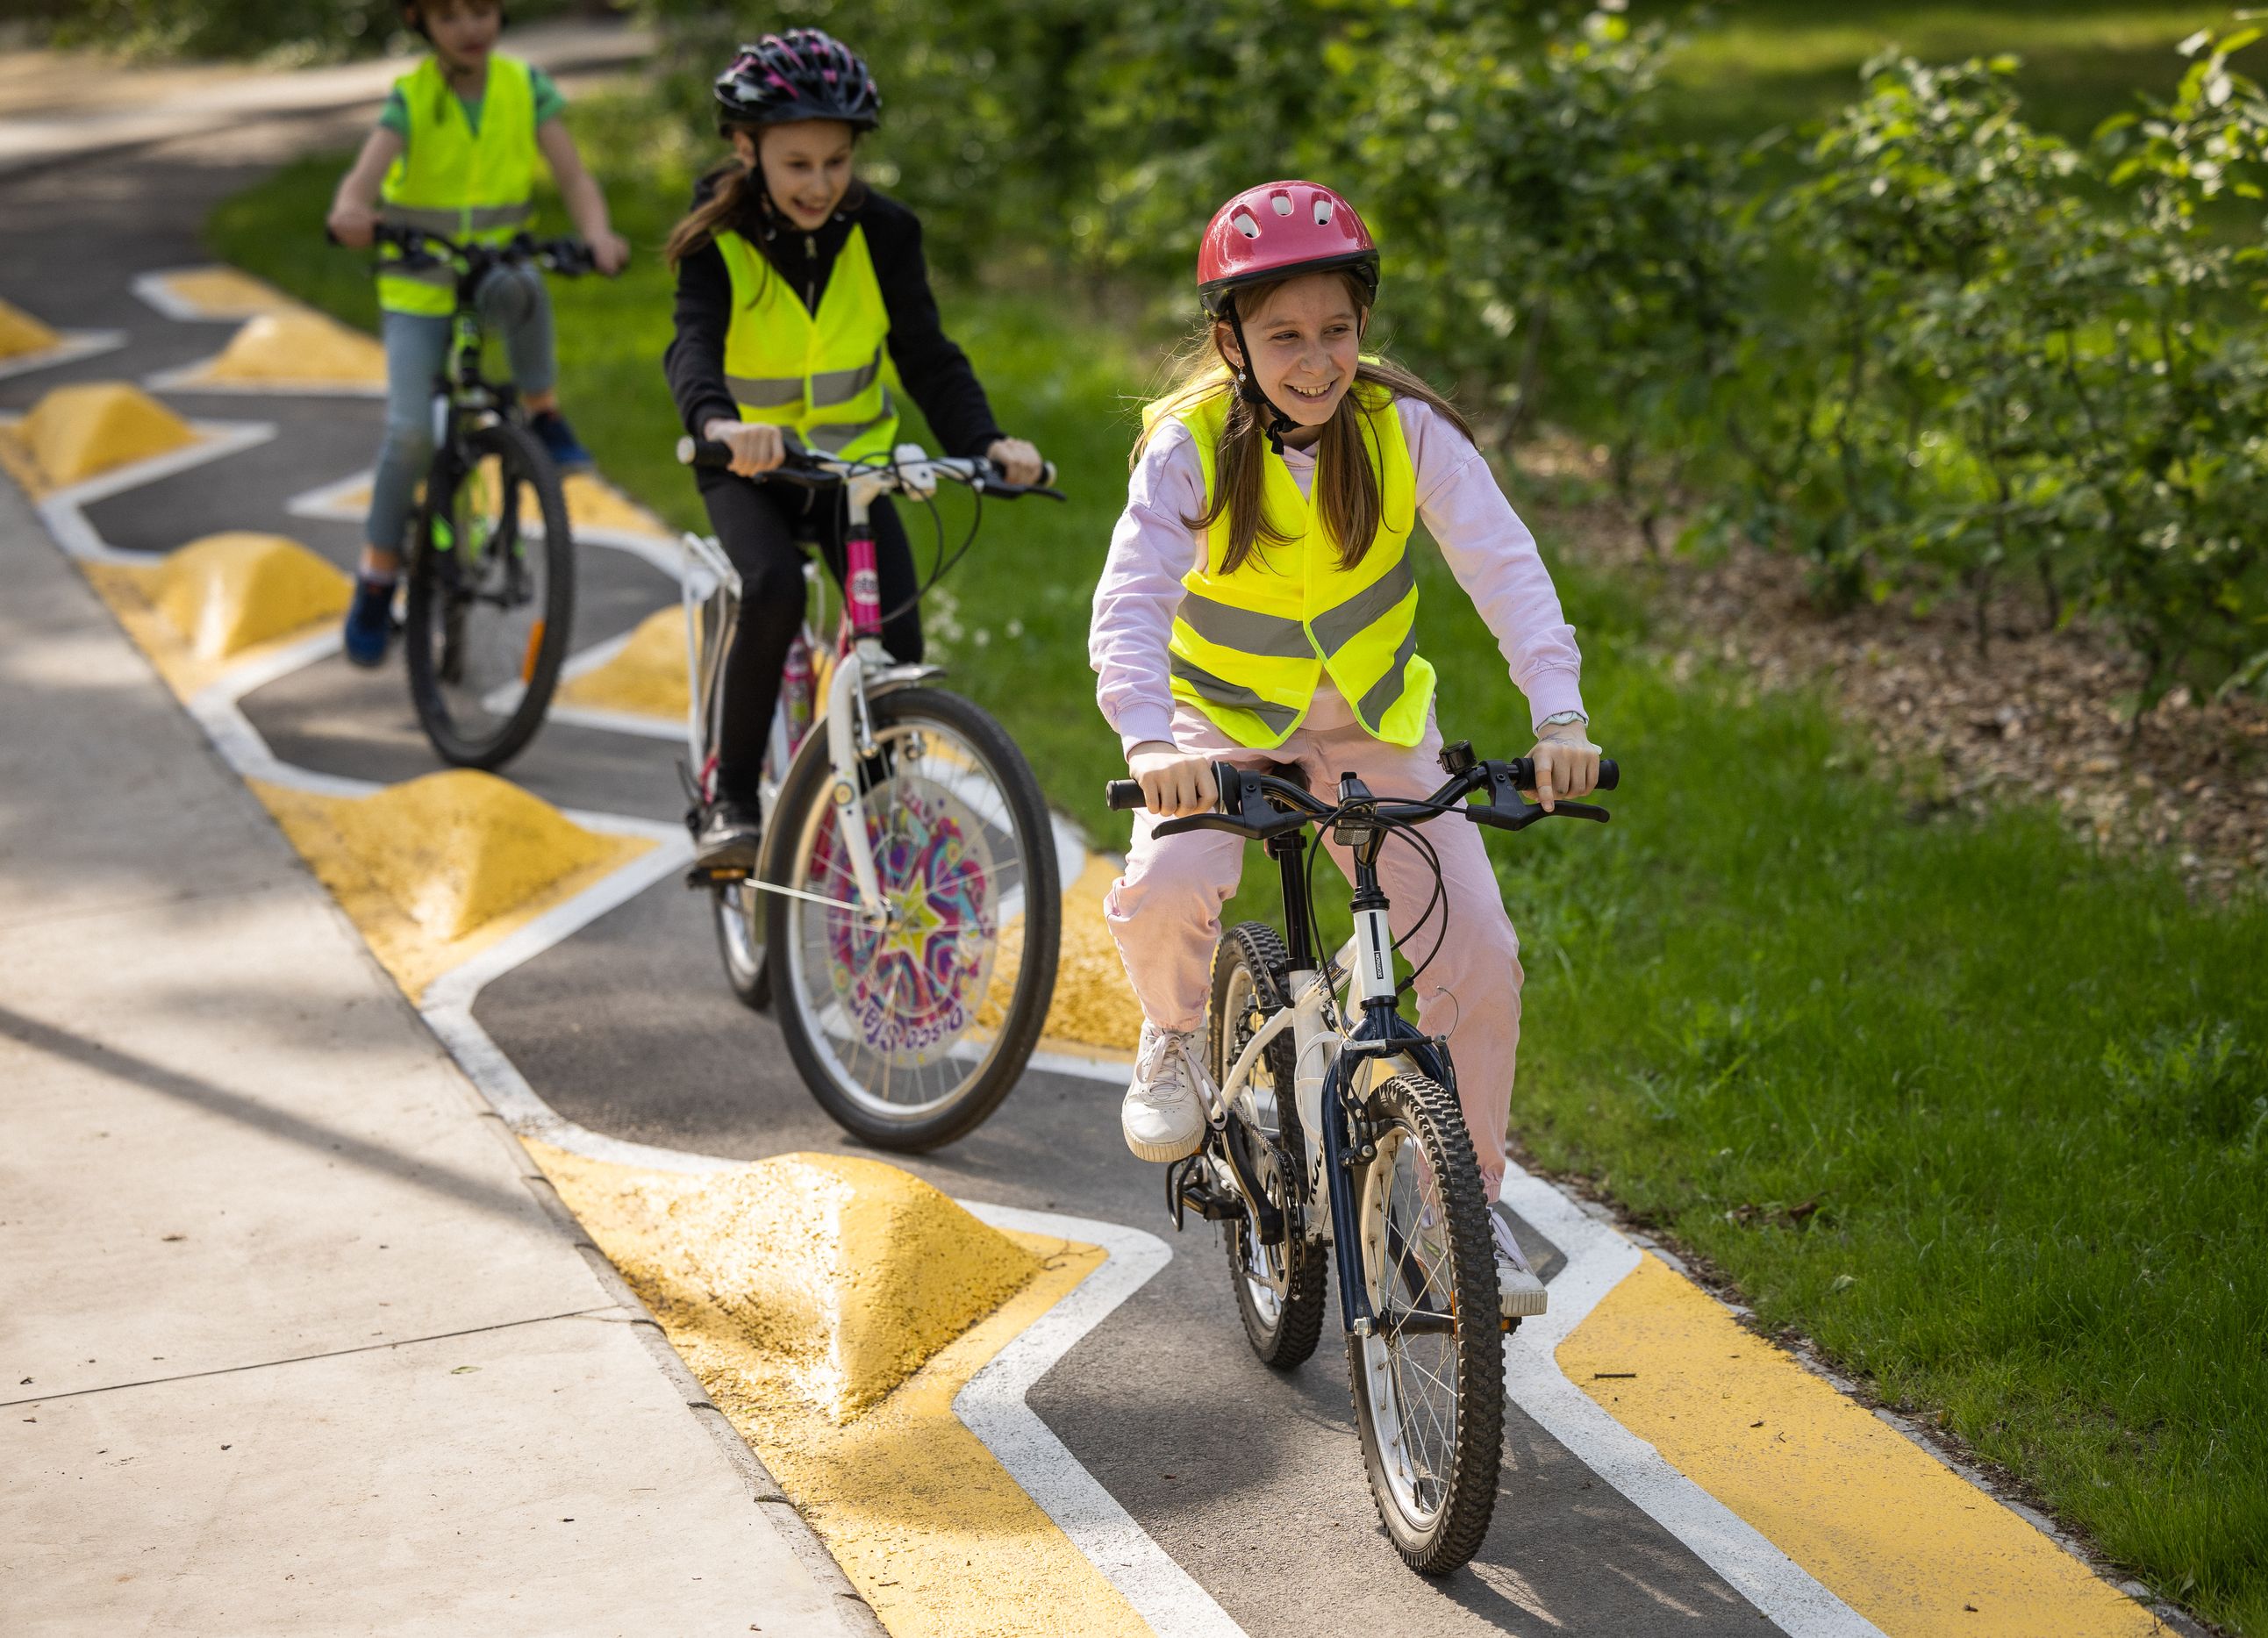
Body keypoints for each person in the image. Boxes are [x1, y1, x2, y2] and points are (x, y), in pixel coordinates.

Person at [1090, 181, 1604, 1316]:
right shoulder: (1187, 447)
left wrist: (1558, 716)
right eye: (1284, 336)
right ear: (1230, 342)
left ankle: (1459, 1205)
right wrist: (1148, 735)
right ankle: (1174, 1033)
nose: (1317, 360)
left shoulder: (1401, 429)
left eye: (1337, 330)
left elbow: (1504, 565)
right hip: (1215, 723)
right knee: (1175, 875)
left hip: (1371, 726)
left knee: (1478, 951)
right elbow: (1129, 600)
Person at [664, 28, 1043, 870]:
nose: (821, 183)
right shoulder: (715, 239)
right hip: (750, 468)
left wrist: (987, 442)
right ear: (745, 146)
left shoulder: (885, 233)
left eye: (837, 162)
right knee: (769, 588)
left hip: (855, 478)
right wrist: (719, 427)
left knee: (897, 650)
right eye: (797, 163)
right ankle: (729, 801)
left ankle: (868, 828)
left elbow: (928, 357)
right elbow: (690, 346)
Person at [324, 0, 627, 669]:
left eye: (482, 10)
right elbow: (366, 174)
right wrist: (351, 209)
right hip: (417, 284)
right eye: (450, 16)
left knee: (526, 284)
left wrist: (598, 234)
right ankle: (378, 577)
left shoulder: (526, 87)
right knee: (409, 433)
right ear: (423, 24)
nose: (470, 28)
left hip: (491, 270)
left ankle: (543, 414)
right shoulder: (412, 97)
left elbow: (573, 175)